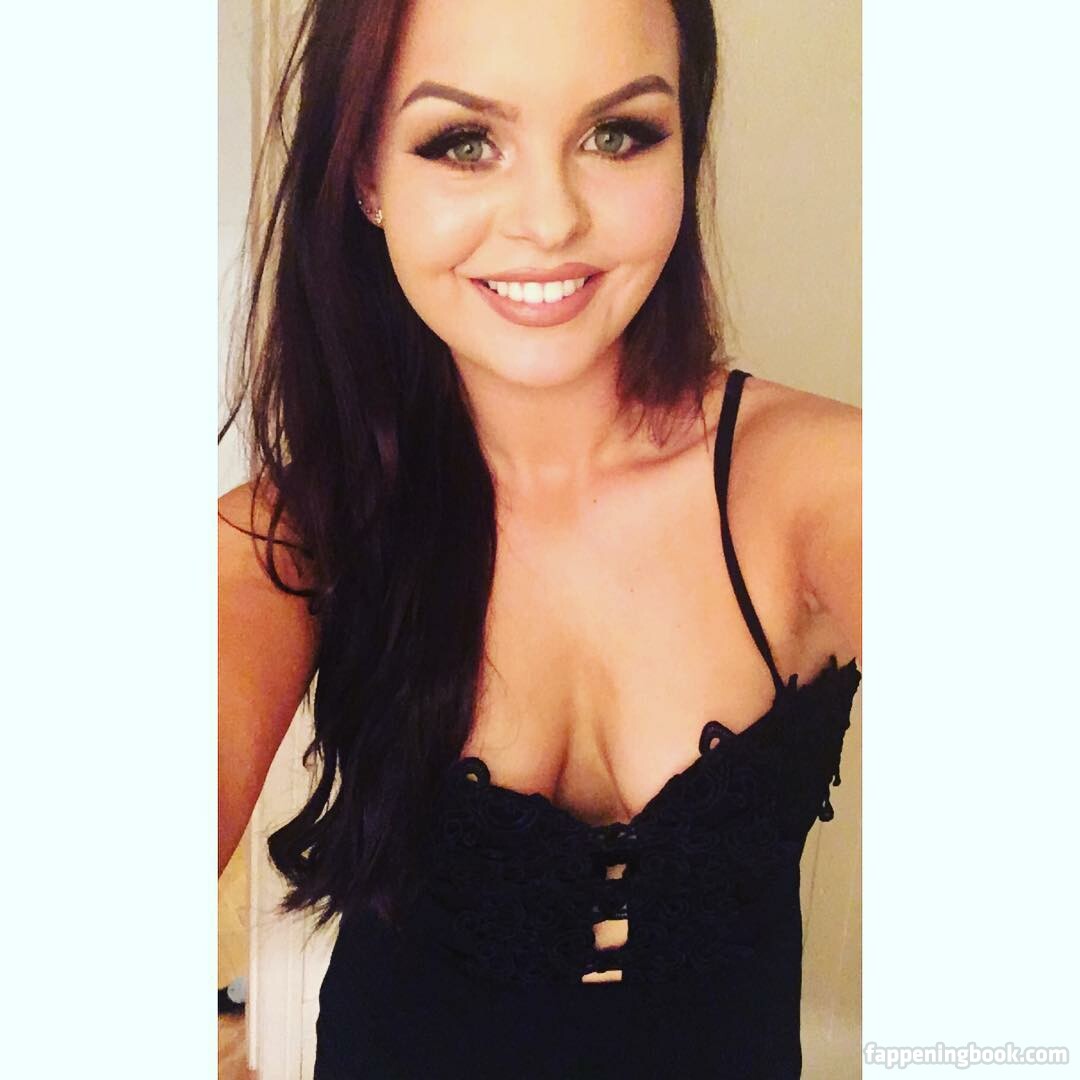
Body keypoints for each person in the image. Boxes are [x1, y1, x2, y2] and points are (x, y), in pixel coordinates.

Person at [218, 0, 861, 1075]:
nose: (550, 219)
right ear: (366, 174)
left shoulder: (820, 484)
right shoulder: (291, 535)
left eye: (617, 133)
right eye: (464, 141)